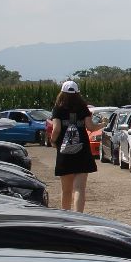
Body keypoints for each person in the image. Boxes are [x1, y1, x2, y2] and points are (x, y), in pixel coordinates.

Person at [51, 79, 97, 211]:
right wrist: (102, 125)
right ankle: (79, 217)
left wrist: (53, 141)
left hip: (64, 151)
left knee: (66, 190)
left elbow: (56, 129)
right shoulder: (83, 109)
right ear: (77, 93)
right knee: (79, 189)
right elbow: (90, 127)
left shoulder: (58, 109)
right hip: (82, 151)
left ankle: (66, 216)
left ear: (62, 93)